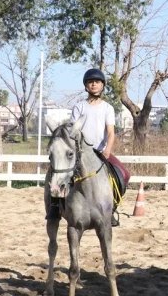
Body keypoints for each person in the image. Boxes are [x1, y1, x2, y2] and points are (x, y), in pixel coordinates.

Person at [45, 68, 129, 227]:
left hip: (100, 151)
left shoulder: (107, 108)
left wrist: (108, 149)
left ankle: (111, 208)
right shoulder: (79, 107)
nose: (94, 85)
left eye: (97, 82)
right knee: (60, 175)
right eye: (90, 82)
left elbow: (111, 133)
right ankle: (55, 205)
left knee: (124, 174)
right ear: (86, 86)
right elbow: (72, 131)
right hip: (81, 152)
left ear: (102, 85)